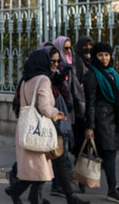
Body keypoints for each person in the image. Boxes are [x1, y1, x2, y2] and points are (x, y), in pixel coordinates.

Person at [5, 48, 66, 204]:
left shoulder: (25, 80)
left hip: (26, 127)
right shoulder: (44, 80)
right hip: (38, 130)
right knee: (39, 175)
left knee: (31, 173)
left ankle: (14, 190)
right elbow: (44, 107)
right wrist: (56, 113)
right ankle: (24, 195)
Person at [84, 42, 119, 203]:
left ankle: (81, 180)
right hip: (102, 119)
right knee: (109, 154)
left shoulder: (112, 73)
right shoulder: (92, 74)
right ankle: (112, 189)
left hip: (114, 118)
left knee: (105, 155)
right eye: (100, 55)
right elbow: (90, 103)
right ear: (95, 57)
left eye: (107, 55)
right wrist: (90, 126)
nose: (104, 58)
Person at [47, 46, 90, 204]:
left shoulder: (58, 74)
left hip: (59, 124)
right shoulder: (40, 79)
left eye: (58, 61)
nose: (56, 64)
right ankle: (20, 187)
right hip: (46, 125)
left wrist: (60, 83)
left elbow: (68, 95)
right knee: (36, 163)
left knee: (60, 159)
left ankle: (70, 196)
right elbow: (43, 103)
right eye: (53, 60)